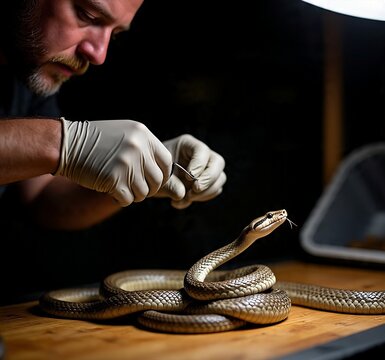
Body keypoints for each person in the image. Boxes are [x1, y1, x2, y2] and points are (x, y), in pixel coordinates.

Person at [0, 0, 227, 231]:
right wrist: (63, 144)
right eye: (86, 16)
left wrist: (144, 175)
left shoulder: (29, 66)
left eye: (115, 34)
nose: (99, 55)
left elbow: (40, 196)